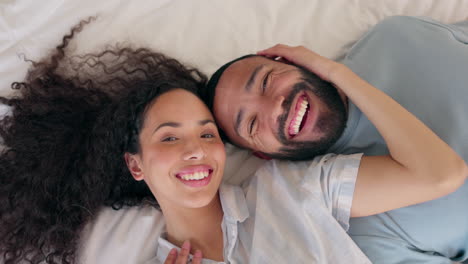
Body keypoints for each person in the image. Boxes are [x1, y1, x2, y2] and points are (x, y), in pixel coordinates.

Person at [0, 18, 466, 264]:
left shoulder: (295, 192)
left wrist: (335, 73)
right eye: (169, 136)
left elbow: (441, 174)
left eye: (207, 133)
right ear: (135, 164)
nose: (196, 149)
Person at [201, 16, 468, 263]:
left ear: (291, 61)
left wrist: (337, 73)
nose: (275, 106)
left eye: (266, 81)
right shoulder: (363, 229)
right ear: (263, 155)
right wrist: (338, 76)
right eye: (252, 124)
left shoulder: (394, 37)